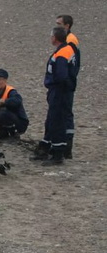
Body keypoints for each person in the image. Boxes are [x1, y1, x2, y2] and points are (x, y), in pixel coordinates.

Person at [31, 27, 78, 165]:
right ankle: (49, 148)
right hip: (60, 91)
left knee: (56, 121)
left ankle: (57, 154)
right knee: (52, 120)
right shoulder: (68, 50)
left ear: (55, 38)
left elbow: (61, 75)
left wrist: (55, 86)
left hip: (59, 92)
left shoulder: (63, 53)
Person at [56, 14, 79, 157]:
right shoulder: (69, 40)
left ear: (67, 26)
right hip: (67, 83)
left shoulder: (70, 41)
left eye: (59, 24)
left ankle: (67, 147)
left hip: (66, 85)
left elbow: (71, 65)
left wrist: (66, 82)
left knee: (66, 114)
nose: (57, 26)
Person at [0, 68, 29, 139]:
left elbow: (18, 100)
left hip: (20, 123)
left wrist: (4, 101)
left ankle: (13, 133)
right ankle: (3, 131)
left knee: (3, 112)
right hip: (8, 118)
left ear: (5, 80)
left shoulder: (11, 91)